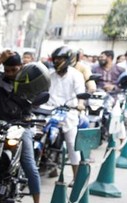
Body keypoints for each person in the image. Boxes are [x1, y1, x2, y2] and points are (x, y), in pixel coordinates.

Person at [0, 50, 48, 203]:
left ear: (21, 68)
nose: (10, 73)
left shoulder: (29, 81)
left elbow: (39, 98)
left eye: (14, 70)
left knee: (29, 164)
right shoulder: (0, 77)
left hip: (21, 126)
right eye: (7, 69)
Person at [46, 46, 86, 181]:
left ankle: (76, 178)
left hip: (69, 112)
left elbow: (81, 93)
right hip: (50, 111)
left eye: (61, 59)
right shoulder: (49, 75)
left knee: (71, 143)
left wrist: (80, 104)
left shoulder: (76, 75)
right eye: (56, 59)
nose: (57, 61)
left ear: (68, 59)